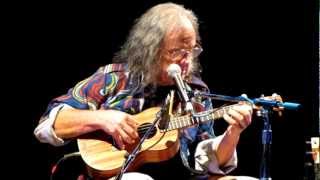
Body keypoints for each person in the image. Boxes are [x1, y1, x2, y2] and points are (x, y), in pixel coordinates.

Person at [34, 3, 256, 180]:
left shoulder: (195, 92)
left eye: (191, 50)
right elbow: (48, 124)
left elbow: (207, 163)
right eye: (177, 51)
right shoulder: (113, 79)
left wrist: (232, 133)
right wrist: (103, 118)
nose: (186, 60)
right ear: (151, 48)